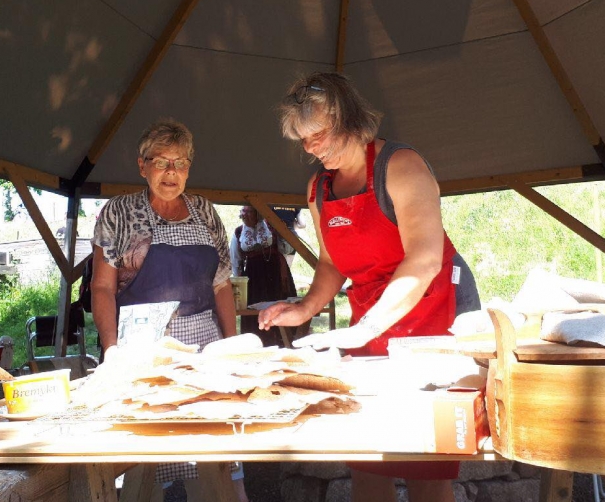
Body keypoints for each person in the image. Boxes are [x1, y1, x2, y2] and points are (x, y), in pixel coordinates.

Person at [258, 72, 481, 502]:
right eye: (302, 139)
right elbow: (330, 261)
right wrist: (305, 308)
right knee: (368, 449)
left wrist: (367, 328)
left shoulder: (401, 166)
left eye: (318, 134)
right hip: (372, 315)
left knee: (427, 457)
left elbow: (425, 260)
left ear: (351, 120)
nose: (310, 147)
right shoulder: (319, 188)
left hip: (434, 308)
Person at [90, 119, 248, 500]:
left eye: (180, 163)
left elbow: (221, 283)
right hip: (146, 349)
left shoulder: (206, 212)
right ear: (142, 166)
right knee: (146, 454)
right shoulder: (119, 212)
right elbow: (102, 287)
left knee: (214, 455)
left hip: (204, 348)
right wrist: (112, 352)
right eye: (161, 162)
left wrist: (234, 346)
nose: (171, 172)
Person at [229, 205, 297, 347]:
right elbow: (235, 259)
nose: (244, 216)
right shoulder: (238, 232)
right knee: (255, 307)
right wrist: (239, 280)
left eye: (248, 213)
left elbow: (288, 248)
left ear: (258, 214)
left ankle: (283, 341)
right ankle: (257, 342)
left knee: (277, 302)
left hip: (275, 272)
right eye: (242, 213)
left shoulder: (272, 226)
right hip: (254, 276)